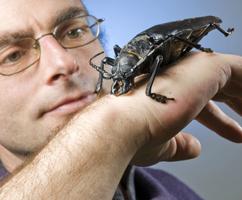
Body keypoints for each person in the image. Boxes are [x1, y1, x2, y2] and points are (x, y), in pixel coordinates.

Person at [0, 0, 241, 199]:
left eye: (74, 31)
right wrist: (109, 132)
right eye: (12, 56)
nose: (64, 63)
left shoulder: (177, 193)